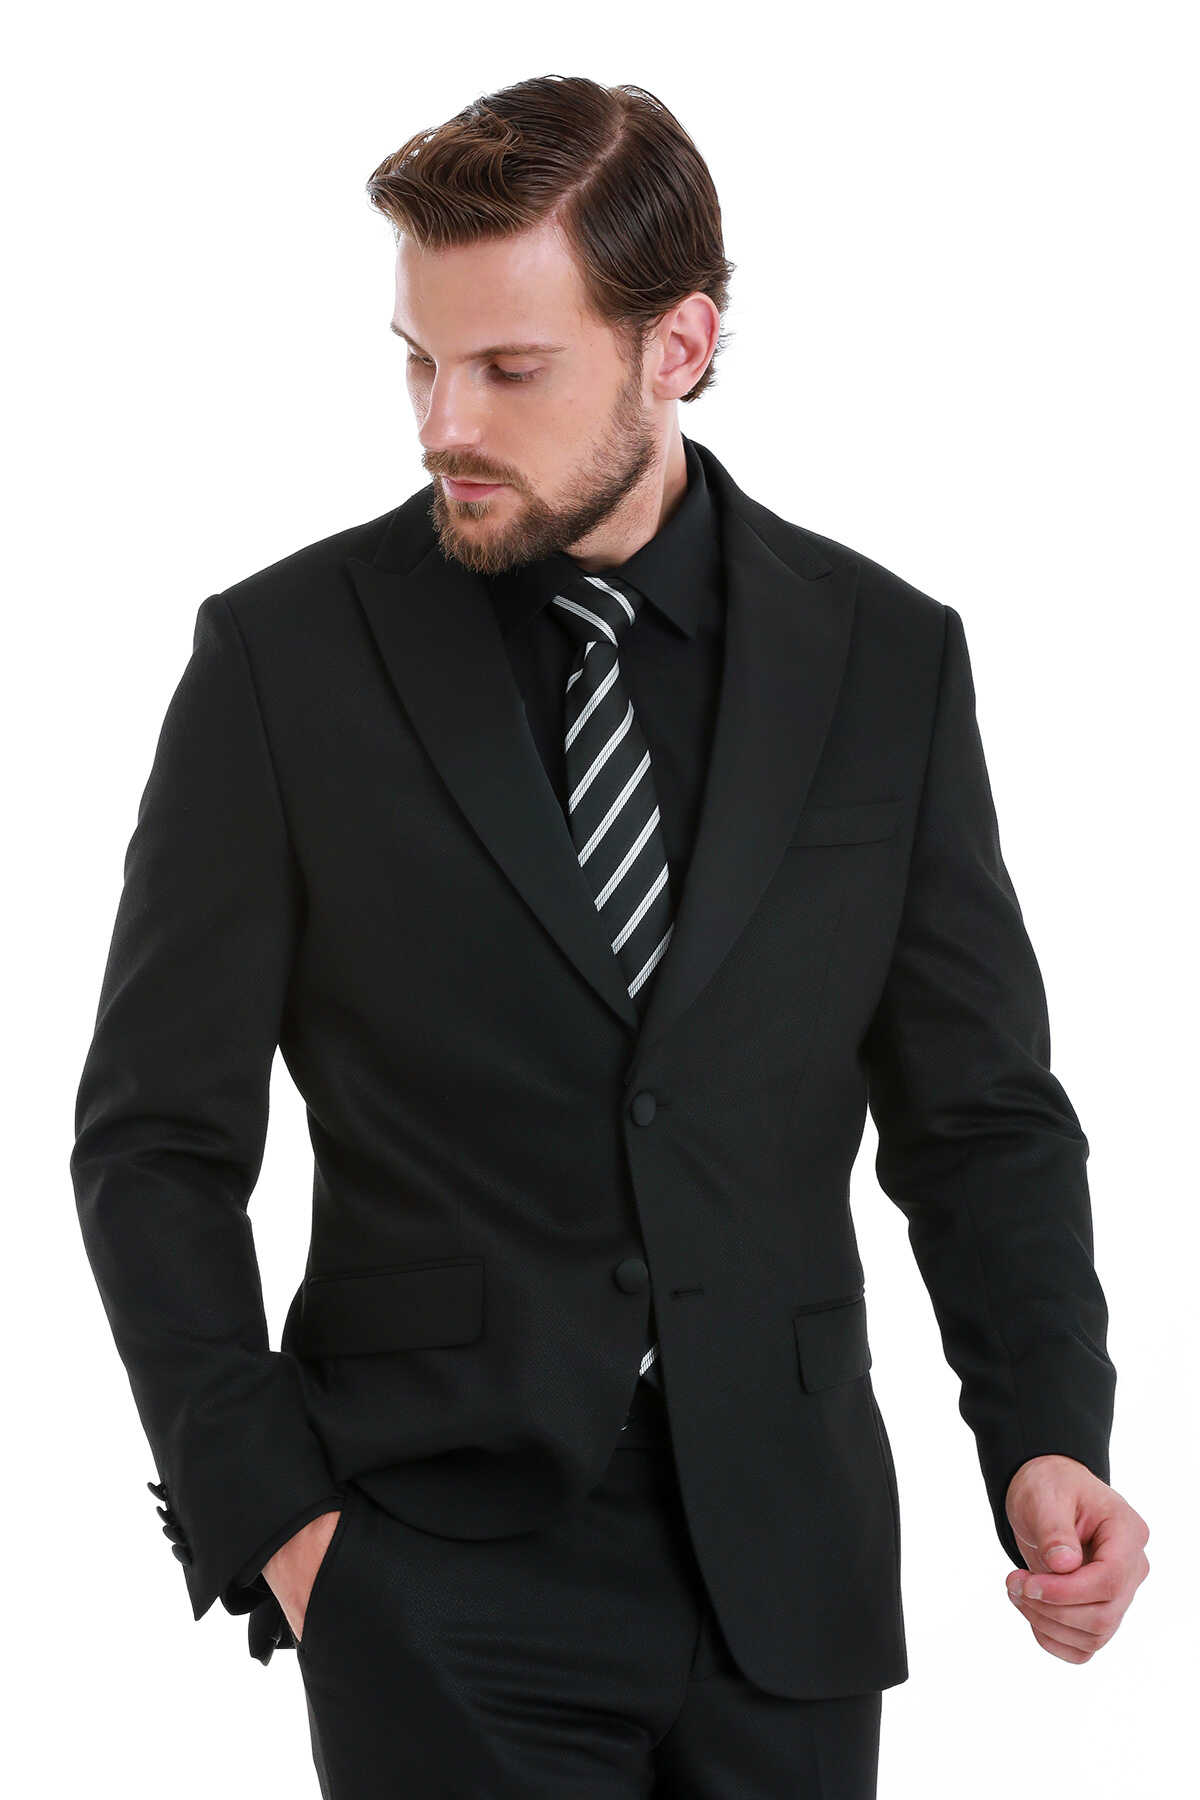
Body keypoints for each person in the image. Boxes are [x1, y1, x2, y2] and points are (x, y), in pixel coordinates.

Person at [70, 73, 1148, 1799]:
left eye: (511, 369)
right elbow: (153, 1142)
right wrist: (276, 1522)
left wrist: (1044, 1437)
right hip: (428, 1568)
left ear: (681, 347)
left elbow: (979, 1117)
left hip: (787, 1571)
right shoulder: (284, 660)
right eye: (419, 362)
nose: (444, 422)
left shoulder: (886, 659)